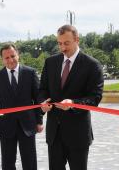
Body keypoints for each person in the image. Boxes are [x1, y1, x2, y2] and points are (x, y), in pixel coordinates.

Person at [38, 25, 104, 170]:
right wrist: (42, 103)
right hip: (54, 134)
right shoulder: (50, 62)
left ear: (77, 40)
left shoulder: (92, 65)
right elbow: (42, 89)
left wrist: (73, 103)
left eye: (66, 43)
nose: (62, 48)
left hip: (78, 135)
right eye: (59, 43)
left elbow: (95, 98)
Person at [0, 43, 43, 170]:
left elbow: (38, 99)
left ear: (18, 55)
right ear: (2, 59)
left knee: (30, 161)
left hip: (28, 125)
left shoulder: (30, 73)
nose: (10, 60)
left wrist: (39, 121)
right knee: (7, 162)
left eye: (13, 56)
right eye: (6, 58)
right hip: (6, 125)